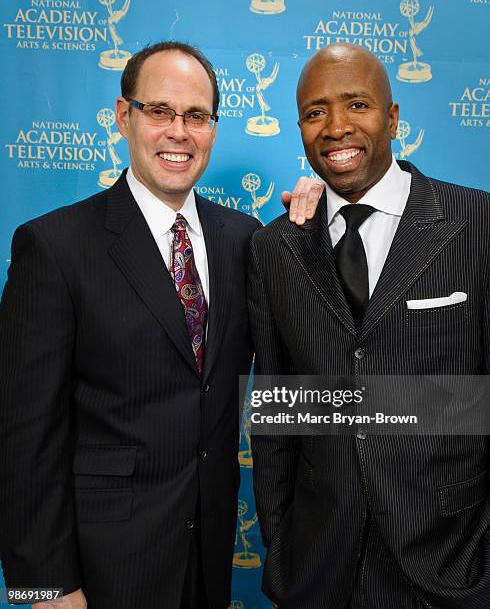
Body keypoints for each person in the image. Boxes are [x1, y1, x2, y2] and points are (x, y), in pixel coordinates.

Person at [0, 41, 323, 609]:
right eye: (160, 112)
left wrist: (321, 223)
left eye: (196, 116)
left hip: (210, 560)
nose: (179, 132)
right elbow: (22, 442)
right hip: (99, 574)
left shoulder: (244, 239)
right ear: (124, 117)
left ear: (213, 129)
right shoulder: (54, 248)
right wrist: (42, 587)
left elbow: (304, 345)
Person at [249, 44, 490, 608]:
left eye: (356, 104)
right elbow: (278, 418)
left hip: (454, 566)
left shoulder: (477, 225)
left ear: (393, 118)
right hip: (319, 571)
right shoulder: (272, 248)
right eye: (314, 112)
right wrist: (283, 551)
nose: (336, 128)